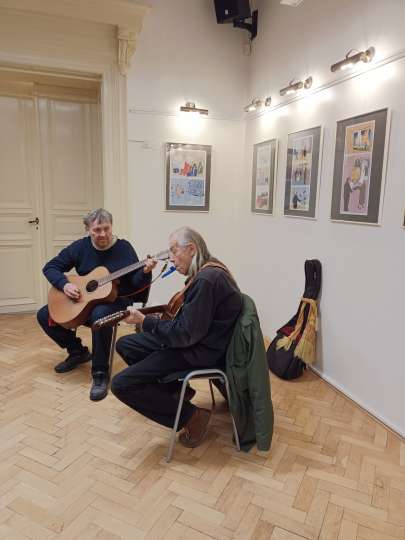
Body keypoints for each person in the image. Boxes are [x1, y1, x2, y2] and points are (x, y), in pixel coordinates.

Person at [111, 227, 242, 448]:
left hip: (199, 352)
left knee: (121, 384)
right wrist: (154, 323)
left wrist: (145, 321)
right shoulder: (210, 268)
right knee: (127, 344)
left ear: (191, 249)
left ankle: (192, 417)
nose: (170, 258)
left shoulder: (207, 280)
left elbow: (185, 335)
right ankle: (175, 392)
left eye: (174, 251)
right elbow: (190, 326)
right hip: (198, 341)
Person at [37, 208, 155, 401]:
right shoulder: (80, 247)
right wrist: (65, 284)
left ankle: (100, 373)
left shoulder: (124, 248)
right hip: (85, 300)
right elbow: (50, 267)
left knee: (100, 316)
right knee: (44, 314)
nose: (103, 234)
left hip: (117, 300)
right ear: (88, 229)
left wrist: (145, 272)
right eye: (97, 230)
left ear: (112, 227)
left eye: (106, 229)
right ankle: (77, 352)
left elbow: (136, 284)